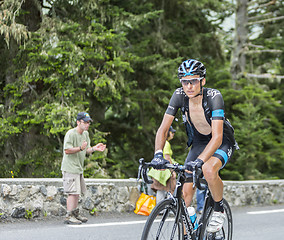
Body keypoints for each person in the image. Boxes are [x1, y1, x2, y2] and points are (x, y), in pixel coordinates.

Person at [150, 59, 238, 236]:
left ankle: (219, 209)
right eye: (185, 82)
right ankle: (190, 230)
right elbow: (163, 128)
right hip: (198, 143)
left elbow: (217, 136)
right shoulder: (178, 95)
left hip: (221, 141)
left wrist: (199, 161)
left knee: (208, 169)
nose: (189, 86)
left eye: (194, 81)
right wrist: (158, 154)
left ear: (202, 81)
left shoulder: (214, 97)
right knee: (185, 194)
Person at [61, 112, 106, 224]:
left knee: (77, 192)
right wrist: (80, 148)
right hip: (70, 167)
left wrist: (95, 148)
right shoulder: (71, 134)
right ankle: (69, 216)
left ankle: (75, 214)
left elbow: (86, 150)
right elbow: (67, 150)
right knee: (72, 192)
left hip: (78, 168)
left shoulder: (85, 134)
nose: (87, 124)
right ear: (78, 122)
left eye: (88, 122)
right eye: (85, 122)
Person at [148, 126, 177, 204]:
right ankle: (167, 208)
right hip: (164, 172)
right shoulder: (166, 144)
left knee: (160, 190)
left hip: (157, 171)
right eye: (172, 132)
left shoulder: (162, 142)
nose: (173, 134)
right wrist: (172, 171)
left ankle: (159, 209)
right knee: (168, 189)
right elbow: (167, 158)